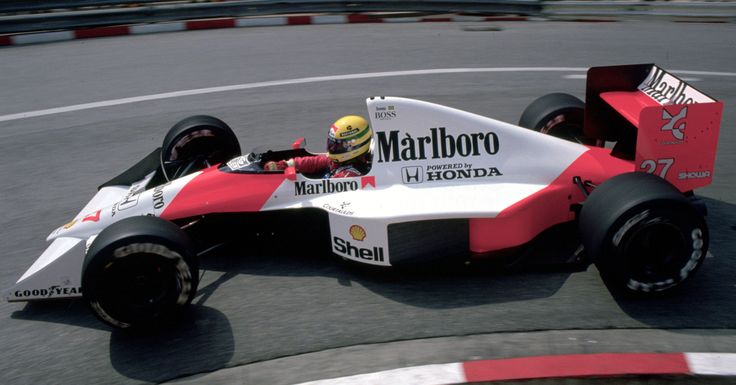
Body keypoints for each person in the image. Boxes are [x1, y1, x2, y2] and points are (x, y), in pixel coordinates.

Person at [264, 115, 372, 178]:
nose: (332, 147)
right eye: (332, 143)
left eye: (337, 144)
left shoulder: (349, 175)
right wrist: (284, 164)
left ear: (353, 145)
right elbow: (315, 162)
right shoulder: (338, 161)